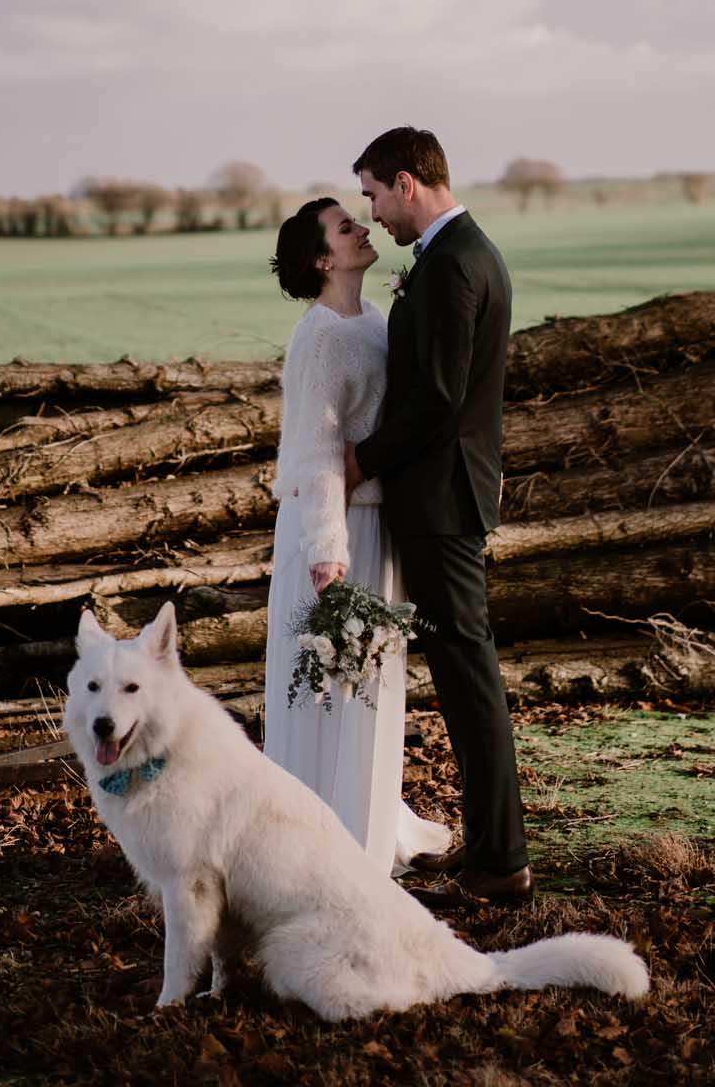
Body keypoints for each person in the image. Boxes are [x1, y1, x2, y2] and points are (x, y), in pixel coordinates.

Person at [345, 126, 531, 908]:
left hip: (442, 498)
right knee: (462, 669)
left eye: (374, 194)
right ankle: (492, 850)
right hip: (444, 495)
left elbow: (438, 402)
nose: (373, 212)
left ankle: (501, 863)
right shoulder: (455, 256)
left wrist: (362, 461)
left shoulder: (455, 266)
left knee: (467, 672)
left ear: (408, 184)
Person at [263, 194, 452, 876]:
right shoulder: (321, 336)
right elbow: (314, 451)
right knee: (330, 687)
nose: (363, 228)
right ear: (321, 259)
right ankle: (323, 837)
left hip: (374, 520)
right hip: (337, 530)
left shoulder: (371, 318)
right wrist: (326, 550)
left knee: (367, 681)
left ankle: (365, 814)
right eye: (347, 228)